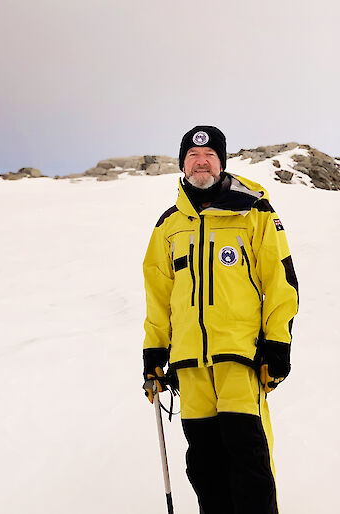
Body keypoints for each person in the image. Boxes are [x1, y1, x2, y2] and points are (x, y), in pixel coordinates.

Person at [142, 126, 298, 514]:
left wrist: (277, 344)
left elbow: (280, 282)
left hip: (240, 359)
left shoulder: (254, 210)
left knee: (250, 464)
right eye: (193, 156)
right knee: (205, 469)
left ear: (222, 163)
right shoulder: (167, 226)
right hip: (190, 367)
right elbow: (159, 298)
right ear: (182, 164)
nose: (201, 162)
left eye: (210, 155)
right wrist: (153, 356)